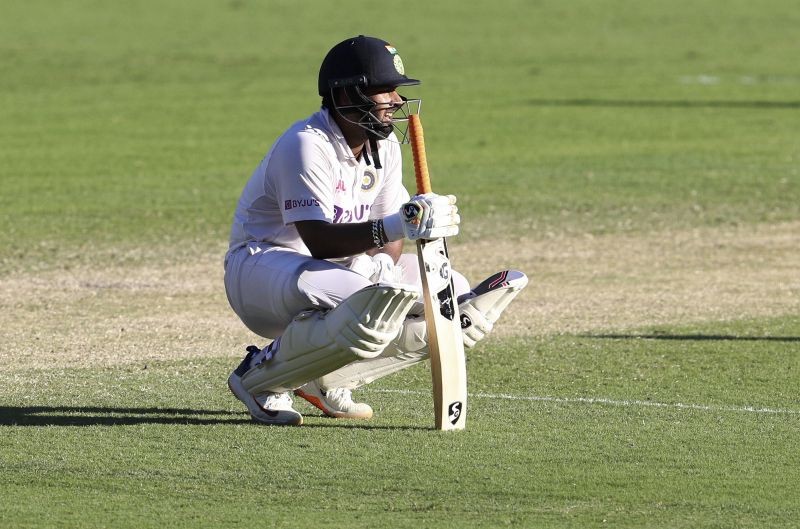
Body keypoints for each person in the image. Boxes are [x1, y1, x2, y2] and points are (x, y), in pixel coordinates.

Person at [224, 35, 528, 426]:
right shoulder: (305, 144)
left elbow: (391, 239)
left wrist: (382, 263)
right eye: (384, 90)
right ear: (346, 94)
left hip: (337, 270)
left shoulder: (383, 148)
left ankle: (327, 379)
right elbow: (318, 242)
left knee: (447, 296)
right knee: (371, 305)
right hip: (260, 271)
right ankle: (260, 377)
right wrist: (400, 225)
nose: (396, 100)